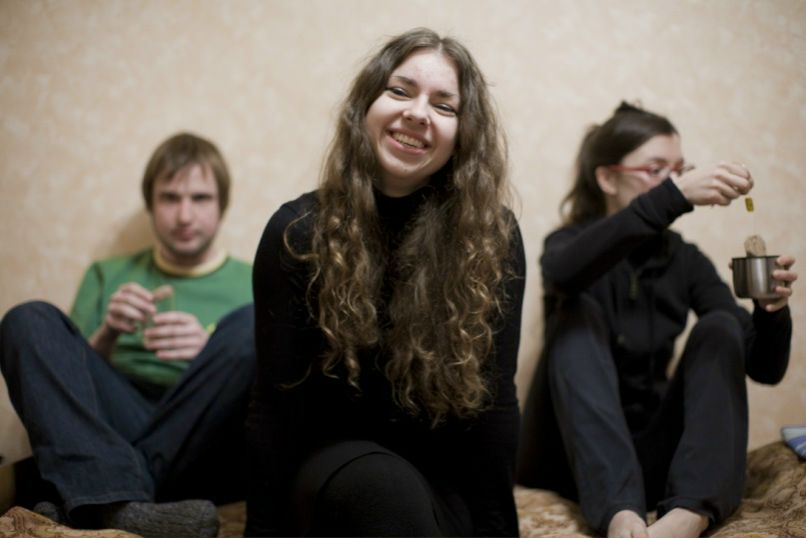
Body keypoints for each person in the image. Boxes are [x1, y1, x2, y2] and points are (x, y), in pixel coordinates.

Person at [246, 27, 526, 538]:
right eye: (400, 91)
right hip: (334, 470)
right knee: (382, 486)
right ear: (364, 108)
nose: (418, 113)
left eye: (444, 105)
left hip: (438, 481)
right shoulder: (297, 232)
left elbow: (495, 407)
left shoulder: (491, 239)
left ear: (464, 134)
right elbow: (274, 408)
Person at [516, 102, 797, 538]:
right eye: (656, 170)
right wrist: (676, 195)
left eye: (680, 170)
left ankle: (690, 513)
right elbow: (563, 273)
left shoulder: (684, 260)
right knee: (576, 313)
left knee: (720, 325)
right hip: (576, 463)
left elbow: (764, 367)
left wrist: (771, 310)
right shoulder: (570, 244)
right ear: (607, 179)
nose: (674, 180)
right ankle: (620, 516)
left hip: (653, 459)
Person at [0, 132, 255, 538]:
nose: (184, 215)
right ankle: (119, 504)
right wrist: (107, 335)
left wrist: (212, 352)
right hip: (115, 424)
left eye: (200, 198)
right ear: (150, 204)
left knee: (250, 324)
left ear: (221, 204)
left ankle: (94, 500)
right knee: (27, 319)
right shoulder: (107, 274)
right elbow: (61, 386)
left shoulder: (253, 280)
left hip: (202, 439)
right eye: (169, 198)